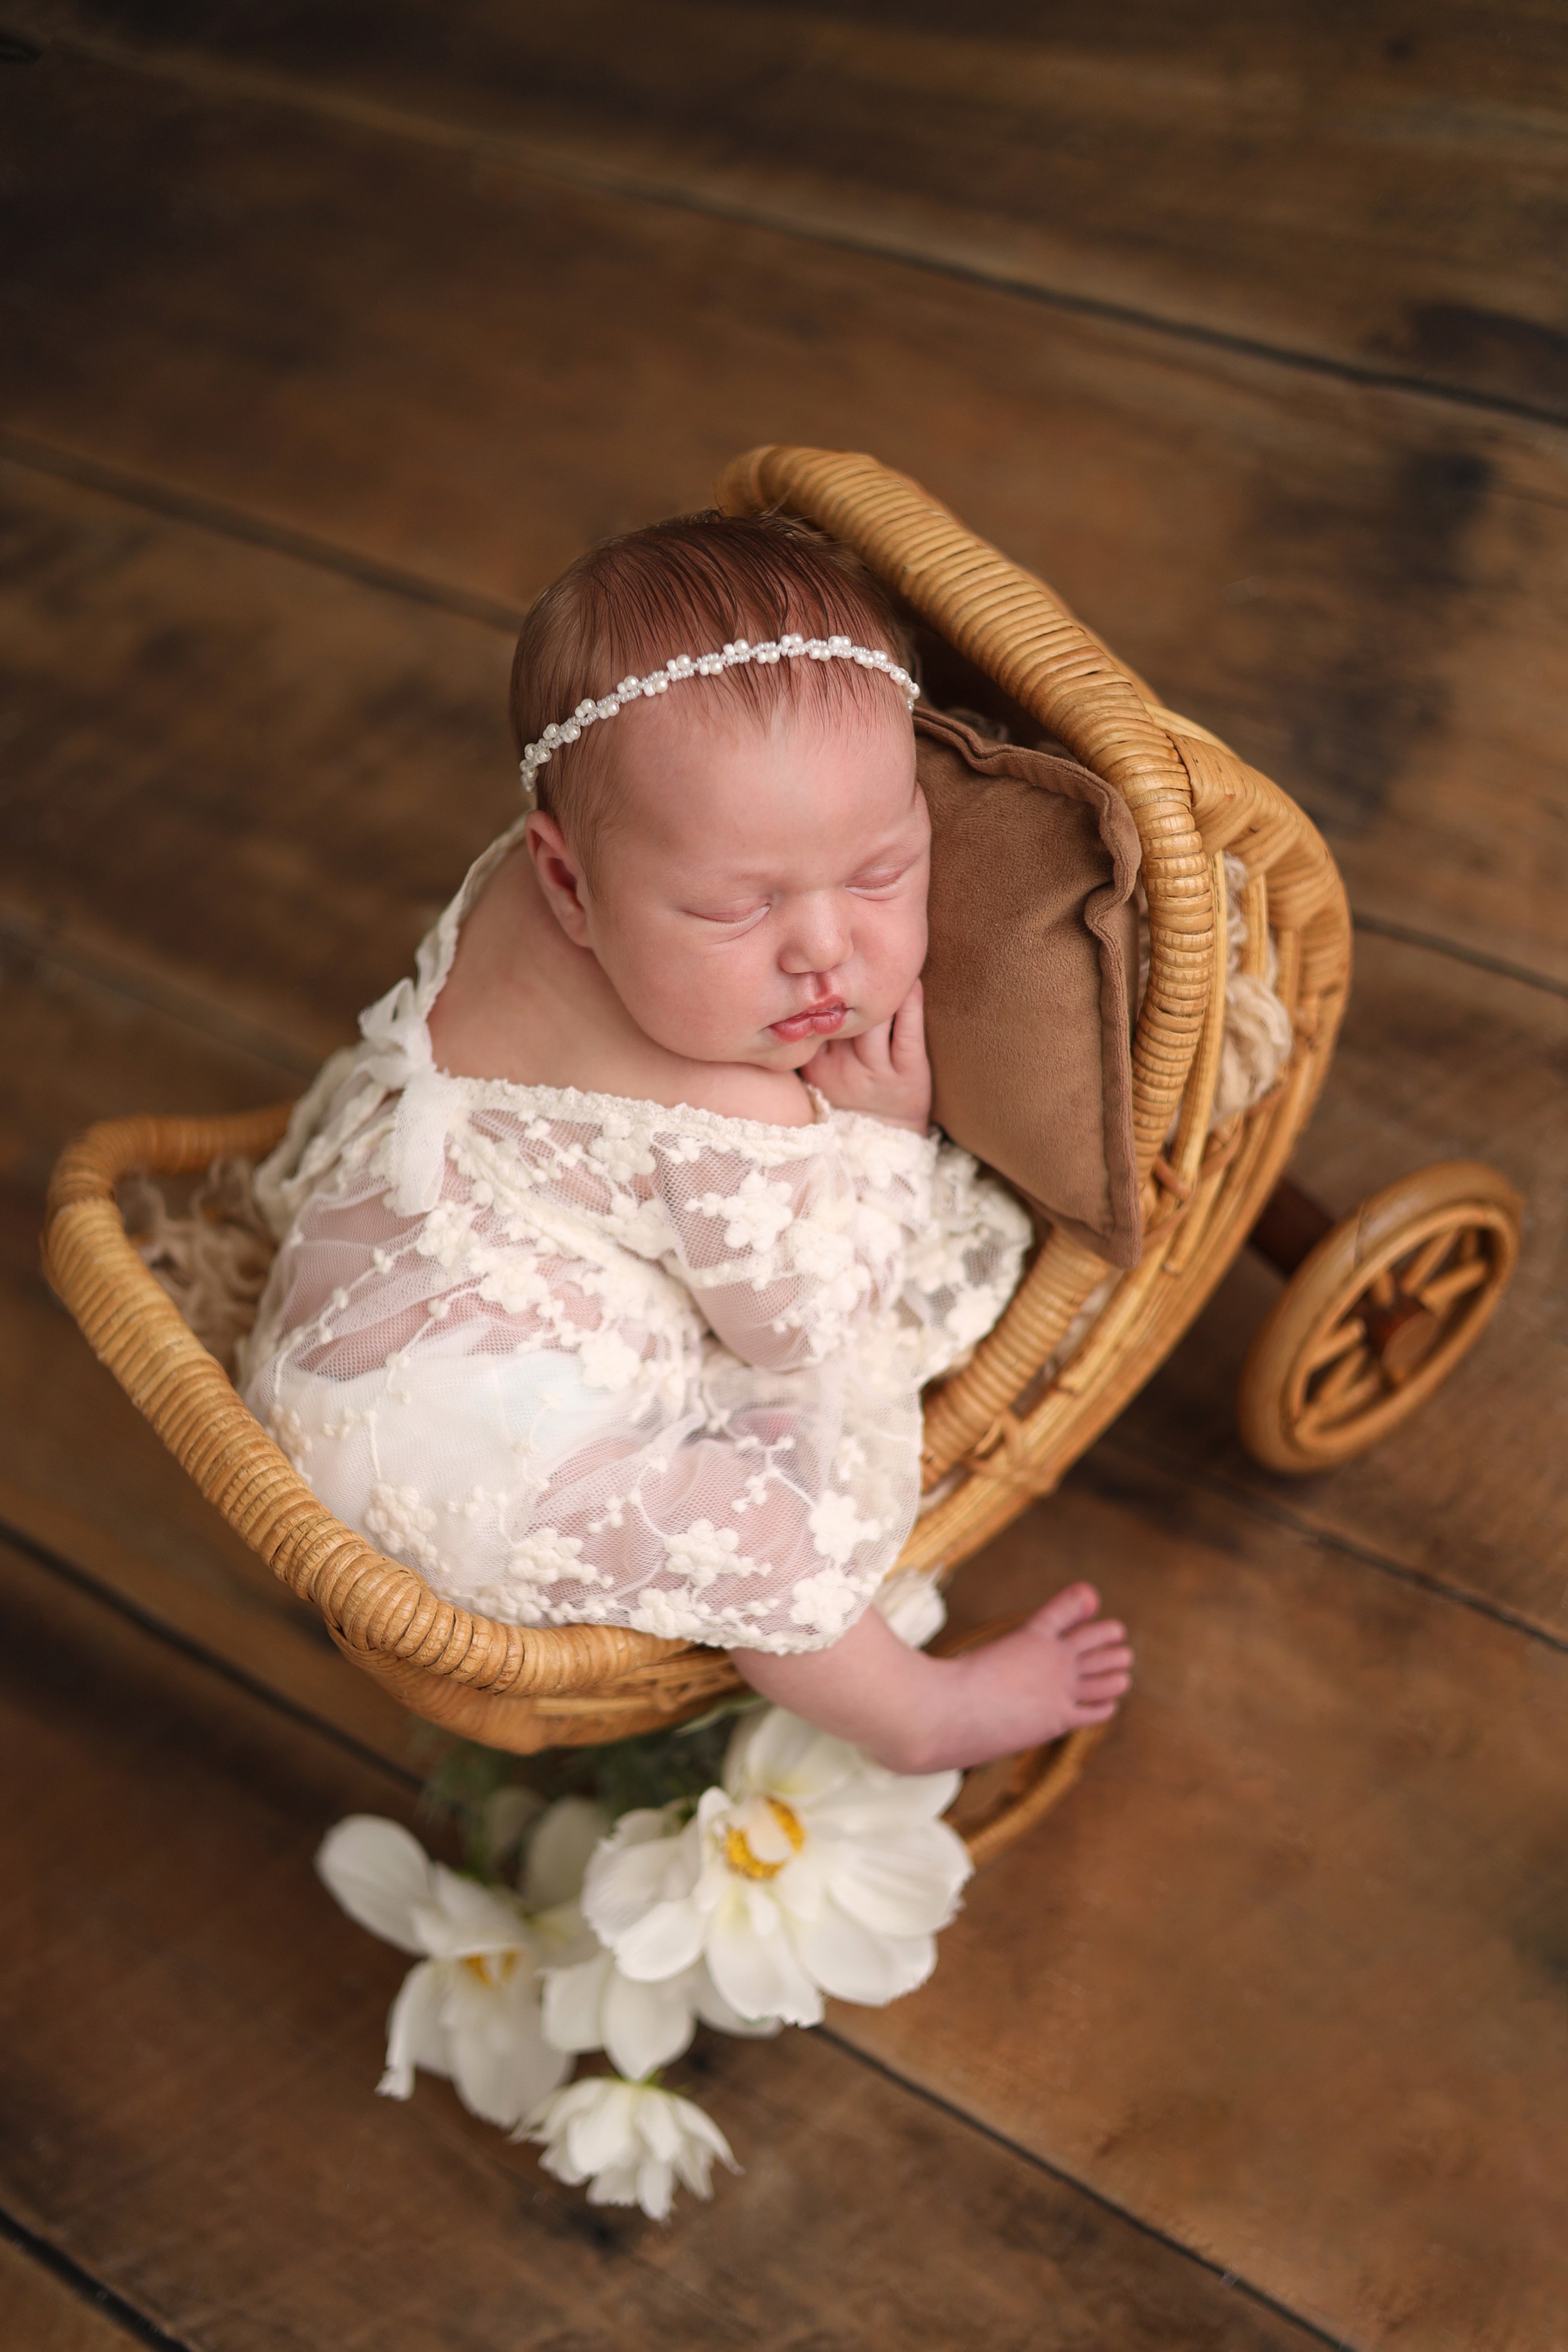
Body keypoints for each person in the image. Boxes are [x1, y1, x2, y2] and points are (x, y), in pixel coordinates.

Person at [243, 511, 1132, 1772]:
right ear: (568, 882)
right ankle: (922, 1717)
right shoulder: (725, 1108)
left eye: (879, 874)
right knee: (760, 1534)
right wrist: (882, 1138)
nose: (823, 948)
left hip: (338, 1340)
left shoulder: (520, 887)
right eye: (737, 907)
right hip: (484, 1458)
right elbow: (796, 1329)